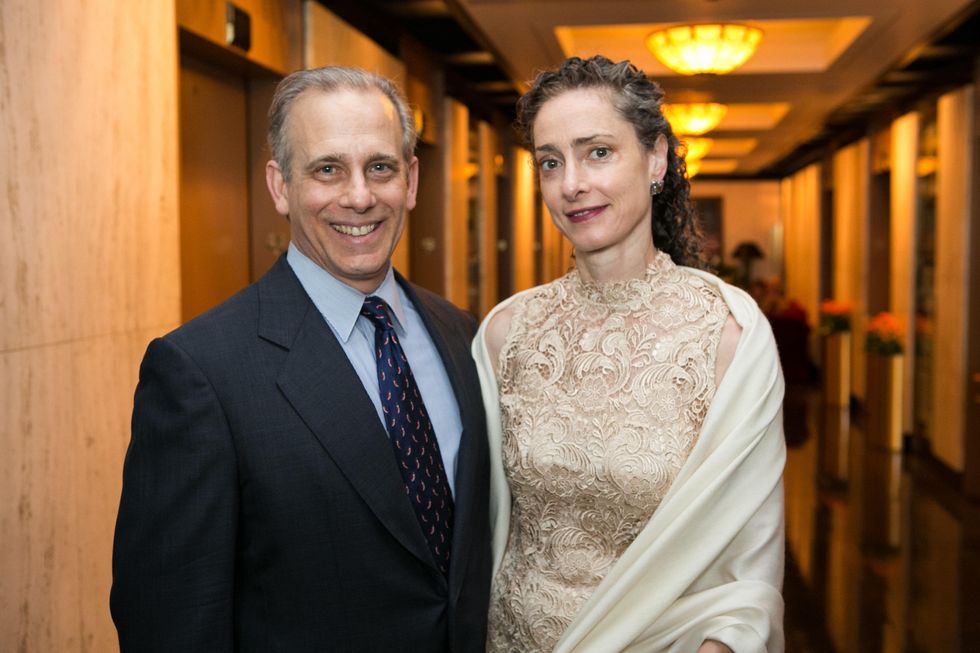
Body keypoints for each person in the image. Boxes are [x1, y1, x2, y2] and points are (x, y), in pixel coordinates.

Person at [110, 66, 491, 652]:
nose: (359, 196)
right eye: (327, 169)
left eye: (380, 167)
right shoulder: (200, 372)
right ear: (280, 185)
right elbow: (171, 619)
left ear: (411, 180)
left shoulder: (462, 334)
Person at [472, 56, 786, 652]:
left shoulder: (728, 336)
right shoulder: (504, 334)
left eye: (598, 152)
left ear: (657, 158)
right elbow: (481, 529)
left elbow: (751, 561)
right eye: (549, 162)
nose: (571, 184)